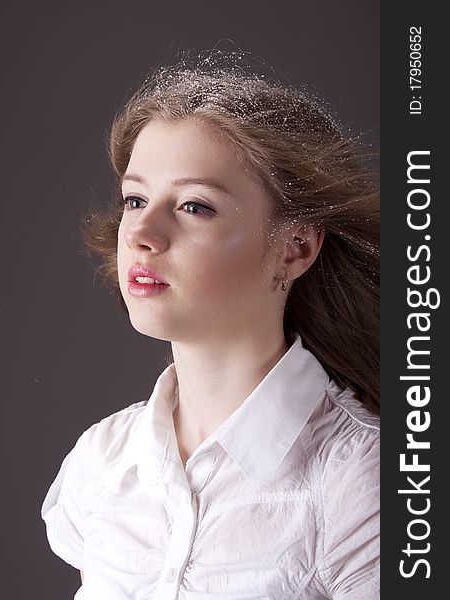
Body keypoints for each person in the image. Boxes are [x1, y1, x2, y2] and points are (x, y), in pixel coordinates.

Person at [41, 49, 379, 599]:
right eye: (135, 199)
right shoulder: (100, 464)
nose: (141, 233)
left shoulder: (363, 483)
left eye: (195, 206)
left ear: (294, 248)